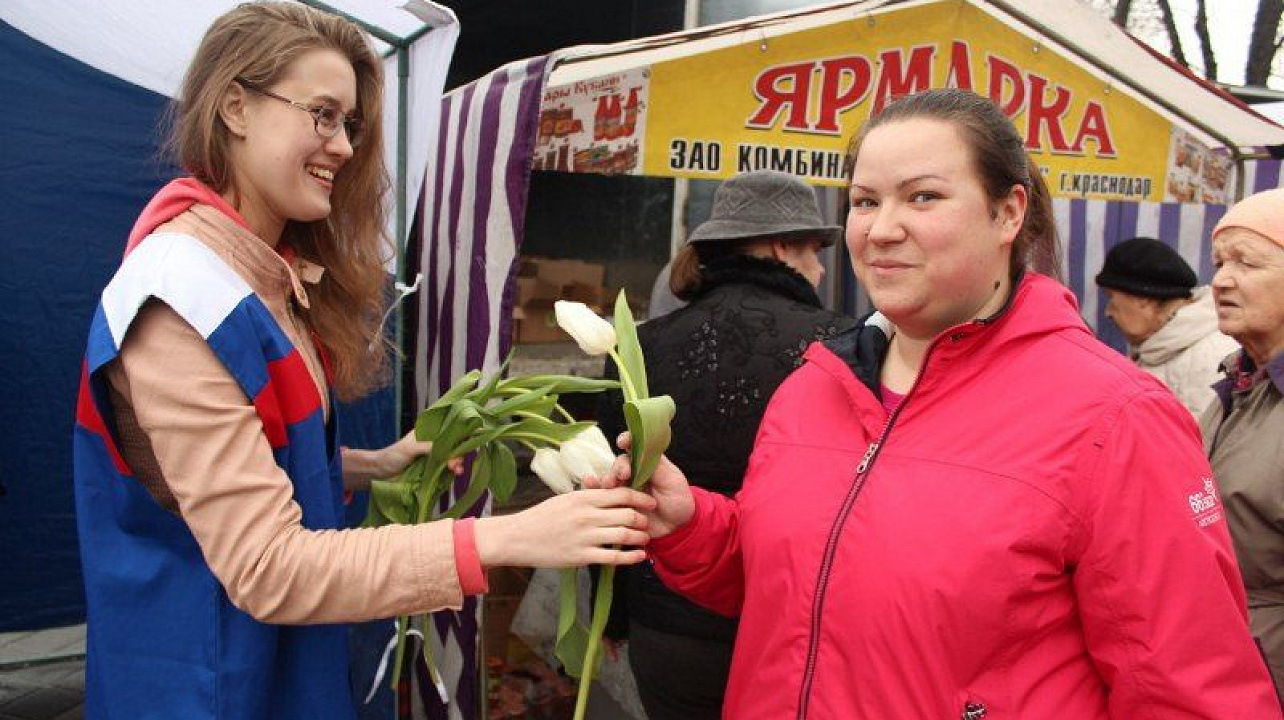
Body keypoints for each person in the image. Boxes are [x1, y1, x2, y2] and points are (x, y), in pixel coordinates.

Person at [587, 89, 1281, 719]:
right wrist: (690, 523)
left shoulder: (1115, 416)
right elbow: (794, 583)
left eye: (922, 197)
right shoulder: (815, 384)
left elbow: (1190, 692)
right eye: (865, 201)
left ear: (1008, 212)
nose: (881, 229)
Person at [71, 5, 654, 719]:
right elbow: (267, 567)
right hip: (209, 687)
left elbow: (242, 462)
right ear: (234, 107)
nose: (345, 146)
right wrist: (506, 537)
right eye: (323, 115)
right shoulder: (182, 301)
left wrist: (376, 464)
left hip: (274, 672)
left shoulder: (256, 274)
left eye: (349, 123)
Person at [598, 170, 855, 720]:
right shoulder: (842, 345)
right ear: (783, 246)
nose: (821, 268)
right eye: (815, 251)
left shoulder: (638, 345)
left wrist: (611, 615)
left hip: (663, 627)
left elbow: (606, 490)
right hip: (787, 628)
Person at [1199, 187, 1284, 698]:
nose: (1221, 281)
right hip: (1231, 663)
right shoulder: (1236, 385)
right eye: (1218, 263)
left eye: (1246, 263)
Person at [1095, 236, 1237, 415]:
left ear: (1143, 299)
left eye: (1111, 298)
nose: (1108, 312)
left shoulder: (1212, 356)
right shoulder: (1156, 348)